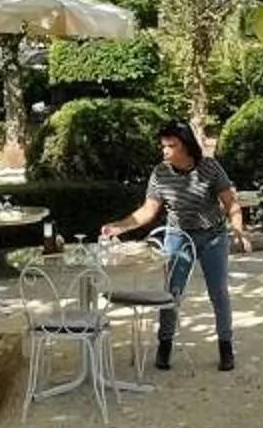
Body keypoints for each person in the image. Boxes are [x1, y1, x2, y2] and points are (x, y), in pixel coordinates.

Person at [101, 119, 249, 370]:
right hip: (178, 236)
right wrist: (119, 226)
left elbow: (231, 204)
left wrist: (238, 231)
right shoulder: (160, 173)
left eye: (171, 145)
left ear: (186, 146)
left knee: (219, 293)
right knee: (171, 292)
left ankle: (226, 346)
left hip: (212, 236)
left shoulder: (210, 168)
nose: (165, 150)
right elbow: (148, 211)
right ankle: (165, 345)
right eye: (163, 146)